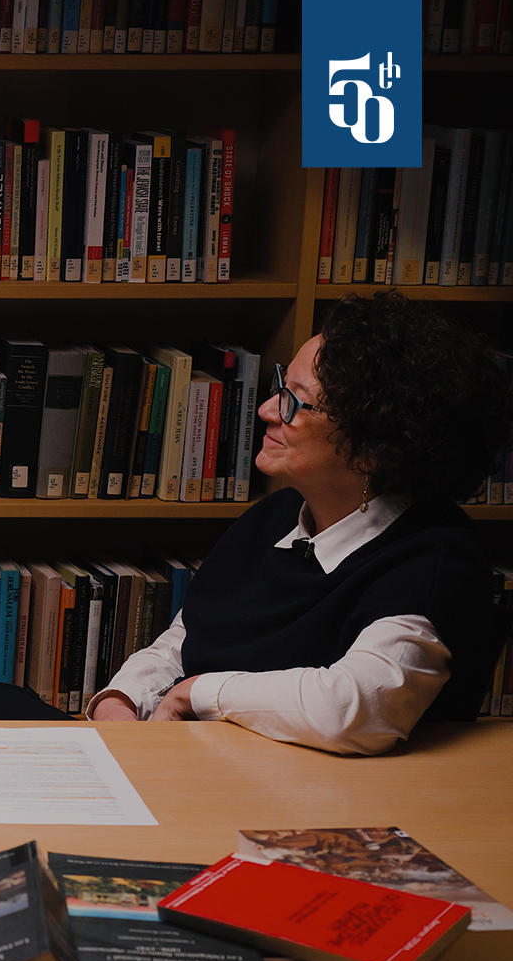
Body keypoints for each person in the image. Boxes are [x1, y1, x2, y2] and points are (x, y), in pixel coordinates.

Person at [86, 294, 510, 754]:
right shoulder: (276, 516)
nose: (268, 410)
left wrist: (197, 692)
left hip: (331, 804)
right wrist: (121, 700)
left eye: (295, 402)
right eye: (279, 387)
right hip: (213, 767)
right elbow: (191, 635)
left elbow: (355, 708)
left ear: (373, 446)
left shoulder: (434, 560)